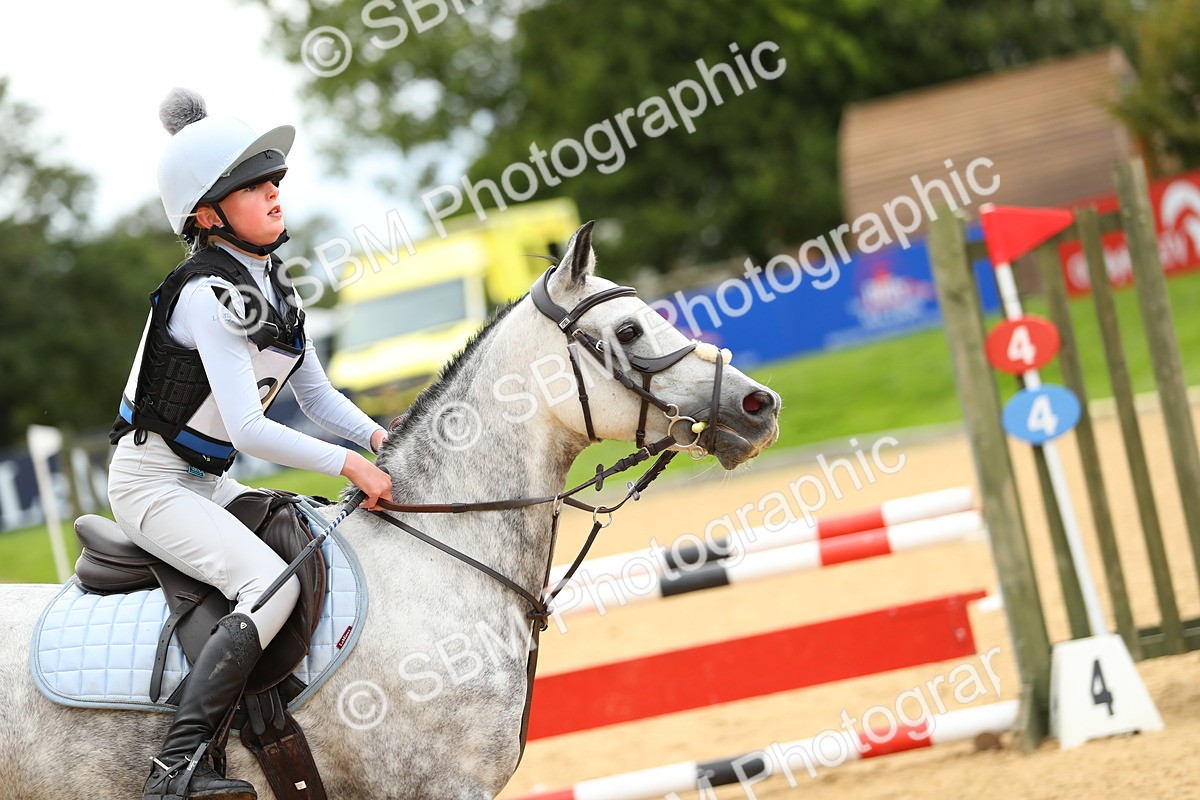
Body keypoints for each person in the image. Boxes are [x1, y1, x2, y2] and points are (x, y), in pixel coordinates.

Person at [108, 88, 393, 800]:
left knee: (313, 535)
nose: (272, 194)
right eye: (252, 187)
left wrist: (379, 434)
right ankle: (173, 772)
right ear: (208, 215)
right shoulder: (205, 293)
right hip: (152, 484)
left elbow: (316, 397)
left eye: (274, 182)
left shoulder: (273, 283)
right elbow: (249, 430)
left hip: (203, 483)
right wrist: (348, 462)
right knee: (269, 587)